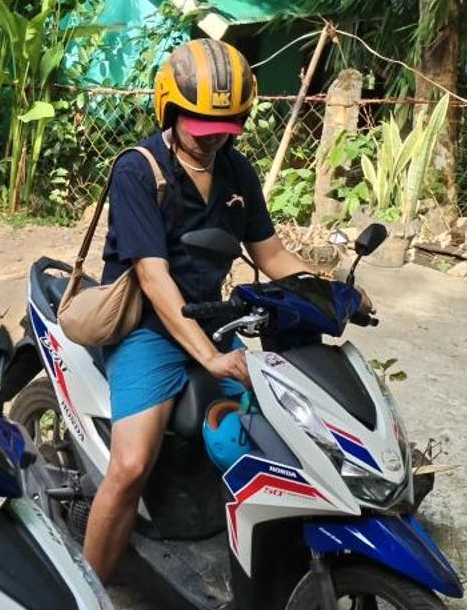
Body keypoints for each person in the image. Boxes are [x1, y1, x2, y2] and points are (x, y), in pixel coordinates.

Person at [80, 38, 366, 581]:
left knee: (290, 427)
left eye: (227, 128)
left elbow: (273, 254)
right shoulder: (139, 169)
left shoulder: (237, 172)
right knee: (130, 466)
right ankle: (90, 598)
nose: (214, 139)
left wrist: (334, 290)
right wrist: (209, 357)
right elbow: (152, 276)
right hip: (146, 329)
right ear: (170, 110)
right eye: (203, 127)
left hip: (217, 321)